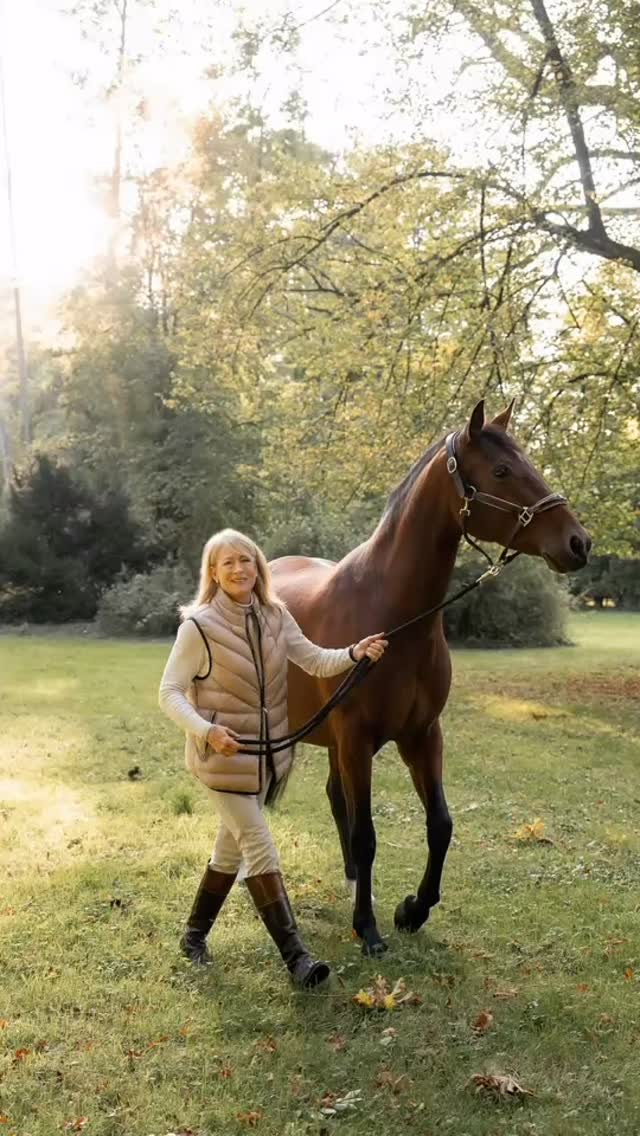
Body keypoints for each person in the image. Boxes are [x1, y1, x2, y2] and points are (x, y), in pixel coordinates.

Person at [158, 528, 388, 989]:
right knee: (259, 845)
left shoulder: (275, 615)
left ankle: (193, 936)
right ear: (213, 573)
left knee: (229, 850)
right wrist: (207, 731)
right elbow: (169, 692)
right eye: (227, 563)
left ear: (258, 566)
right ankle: (297, 958)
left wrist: (354, 652)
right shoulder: (198, 626)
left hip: (264, 760)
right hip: (220, 760)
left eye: (246, 560)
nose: (238, 569)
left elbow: (315, 660)